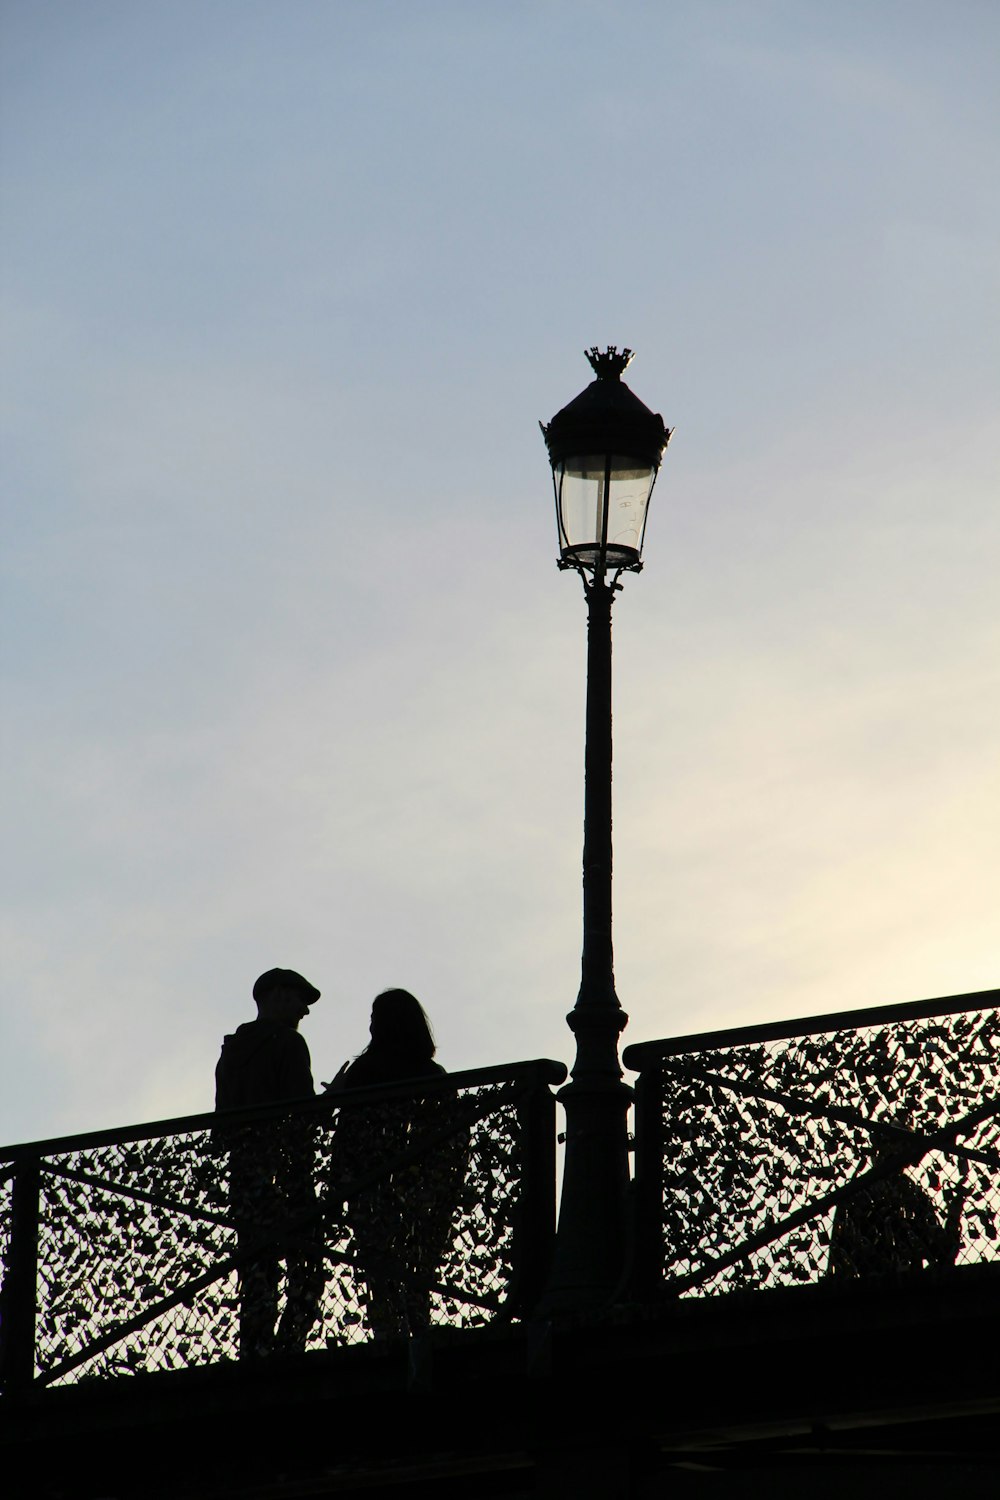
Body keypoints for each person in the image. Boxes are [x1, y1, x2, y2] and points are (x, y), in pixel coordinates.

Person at [327, 990, 466, 1337]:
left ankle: (387, 1334)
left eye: (376, 1016)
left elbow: (348, 1134)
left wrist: (339, 1183)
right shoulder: (434, 1074)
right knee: (418, 1267)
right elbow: (451, 1137)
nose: (370, 1024)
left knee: (380, 1270)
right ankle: (416, 1327)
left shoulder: (365, 1070)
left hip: (372, 1190)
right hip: (422, 1191)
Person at [215, 967, 325, 1359]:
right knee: (309, 1265)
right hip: (287, 1172)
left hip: (245, 1174)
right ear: (277, 995)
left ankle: (257, 1350)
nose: (305, 1012)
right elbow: (302, 1116)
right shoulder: (289, 1043)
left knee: (257, 1270)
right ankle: (288, 1348)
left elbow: (221, 1125)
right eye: (300, 1000)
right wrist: (336, 1099)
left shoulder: (231, 1051)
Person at [827, 1136, 964, 1278]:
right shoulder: (858, 1191)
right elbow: (838, 1249)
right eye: (895, 1145)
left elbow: (941, 1251)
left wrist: (953, 1217)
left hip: (902, 1274)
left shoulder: (910, 1193)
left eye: (904, 1147)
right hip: (870, 1274)